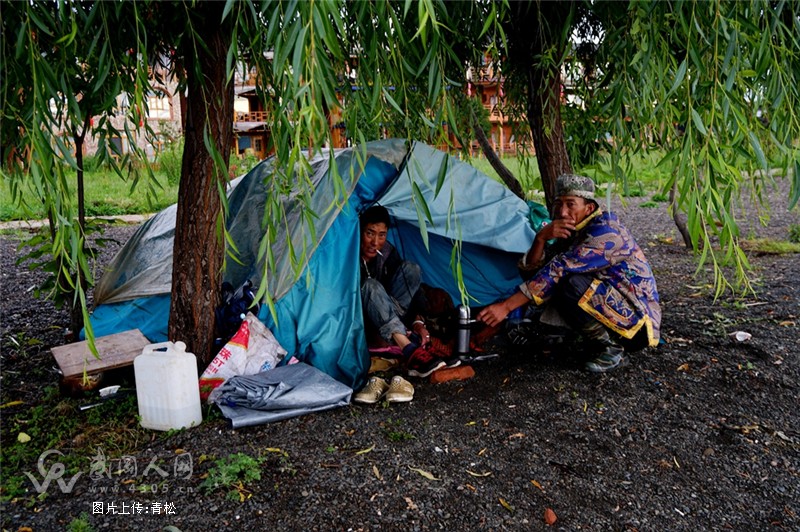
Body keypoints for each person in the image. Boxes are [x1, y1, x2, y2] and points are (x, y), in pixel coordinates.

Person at [477, 174, 661, 372]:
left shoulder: (605, 233)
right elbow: (536, 273)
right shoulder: (575, 229)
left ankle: (611, 348)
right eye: (559, 204)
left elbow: (557, 270)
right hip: (617, 317)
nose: (562, 212)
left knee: (569, 283)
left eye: (571, 204)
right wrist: (540, 239)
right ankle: (591, 339)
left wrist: (505, 307)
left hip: (638, 327)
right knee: (554, 281)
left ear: (588, 208)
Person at [359, 205, 459, 378]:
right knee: (370, 286)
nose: (375, 242)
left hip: (391, 315)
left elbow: (413, 291)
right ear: (360, 231)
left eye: (381, 235)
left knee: (411, 269)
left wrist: (418, 322)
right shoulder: (348, 255)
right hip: (362, 318)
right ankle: (410, 350)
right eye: (370, 233)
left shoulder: (387, 252)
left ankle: (415, 344)